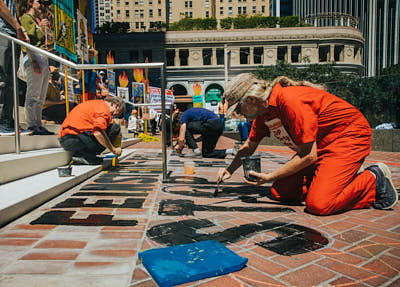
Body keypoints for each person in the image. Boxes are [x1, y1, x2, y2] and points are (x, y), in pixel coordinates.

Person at [217, 73, 398, 215]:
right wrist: (229, 170)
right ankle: (332, 180)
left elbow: (308, 155)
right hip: (319, 146)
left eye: (239, 109)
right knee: (280, 193)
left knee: (319, 204)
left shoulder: (289, 100)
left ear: (251, 100)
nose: (239, 114)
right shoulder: (264, 113)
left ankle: (374, 180)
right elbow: (249, 146)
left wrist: (271, 176)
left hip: (348, 136)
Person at [58, 96, 125, 165]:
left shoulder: (97, 104)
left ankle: (85, 155)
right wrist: (113, 149)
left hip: (67, 138)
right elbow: (98, 133)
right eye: (118, 113)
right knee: (114, 128)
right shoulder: (104, 110)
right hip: (72, 139)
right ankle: (85, 156)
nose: (115, 115)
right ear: (115, 105)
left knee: (108, 129)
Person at [20, 0, 53, 135]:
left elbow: (45, 44)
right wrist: (33, 61)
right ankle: (32, 124)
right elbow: (25, 41)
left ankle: (38, 124)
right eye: (39, 1)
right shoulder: (26, 18)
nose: (42, 6)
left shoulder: (37, 20)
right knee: (33, 95)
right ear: (30, 2)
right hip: (33, 57)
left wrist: (46, 31)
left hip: (42, 57)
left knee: (40, 96)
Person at [0, 0, 30, 135]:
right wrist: (18, 27)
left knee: (12, 82)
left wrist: (20, 29)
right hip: (3, 32)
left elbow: (12, 11)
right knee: (2, 79)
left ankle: (7, 119)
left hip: (12, 34)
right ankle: (1, 120)